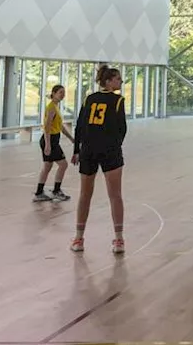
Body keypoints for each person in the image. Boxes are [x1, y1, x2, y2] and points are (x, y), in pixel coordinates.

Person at [71, 65, 128, 255]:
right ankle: (119, 239)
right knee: (115, 195)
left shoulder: (89, 98)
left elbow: (80, 126)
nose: (120, 82)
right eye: (118, 79)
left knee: (84, 195)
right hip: (110, 151)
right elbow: (122, 129)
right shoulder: (118, 101)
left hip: (88, 150)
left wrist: (77, 149)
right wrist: (115, 145)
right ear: (109, 81)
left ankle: (79, 238)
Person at [34, 85, 74, 202]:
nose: (63, 94)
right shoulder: (51, 107)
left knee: (47, 166)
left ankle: (39, 192)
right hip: (50, 139)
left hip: (54, 138)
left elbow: (60, 126)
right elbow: (47, 127)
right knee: (63, 164)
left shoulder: (56, 107)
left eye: (64, 92)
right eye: (60, 92)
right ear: (54, 93)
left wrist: (71, 138)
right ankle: (56, 191)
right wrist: (48, 144)